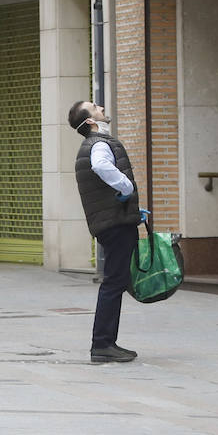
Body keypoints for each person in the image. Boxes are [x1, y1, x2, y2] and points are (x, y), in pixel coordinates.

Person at [68, 101, 141, 363]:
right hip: (115, 224)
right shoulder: (99, 145)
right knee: (113, 282)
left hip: (112, 221)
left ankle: (106, 342)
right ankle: (102, 344)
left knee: (115, 282)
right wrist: (126, 187)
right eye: (94, 107)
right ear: (90, 121)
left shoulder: (95, 143)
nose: (100, 107)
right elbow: (101, 167)